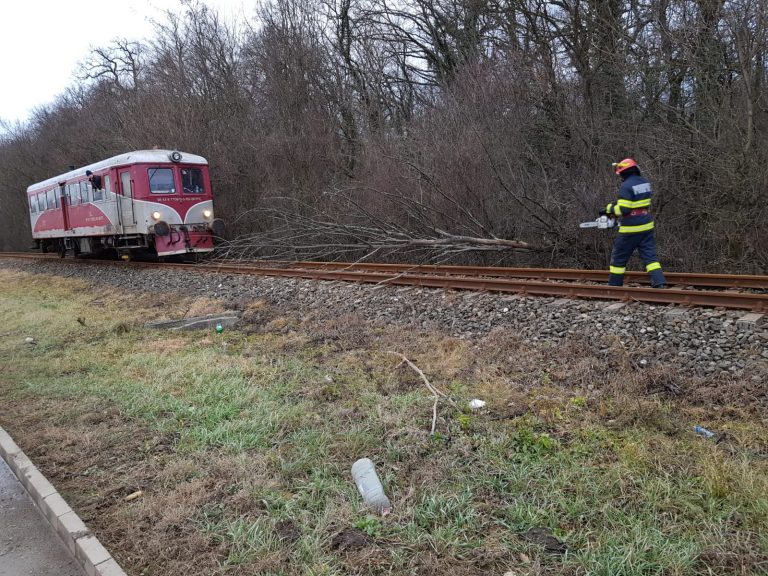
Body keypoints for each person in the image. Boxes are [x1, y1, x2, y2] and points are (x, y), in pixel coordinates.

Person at [601, 158, 666, 288]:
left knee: (619, 257)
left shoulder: (626, 186)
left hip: (631, 228)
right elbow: (636, 203)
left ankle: (614, 286)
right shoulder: (645, 183)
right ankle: (660, 283)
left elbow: (624, 209)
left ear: (624, 172)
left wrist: (609, 209)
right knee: (650, 257)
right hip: (646, 225)